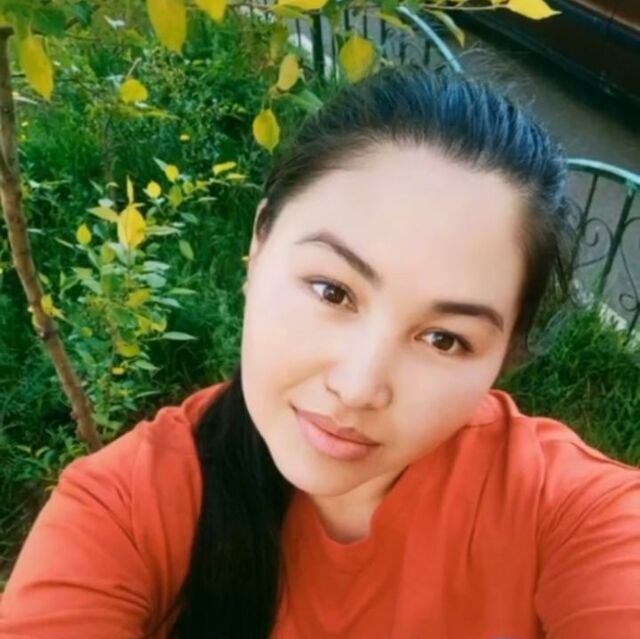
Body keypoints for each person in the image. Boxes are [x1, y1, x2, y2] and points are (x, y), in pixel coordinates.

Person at [1, 65, 639, 639]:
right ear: (259, 245)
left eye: (444, 339)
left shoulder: (572, 516)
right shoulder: (122, 514)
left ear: (505, 355)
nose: (359, 387)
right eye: (333, 291)